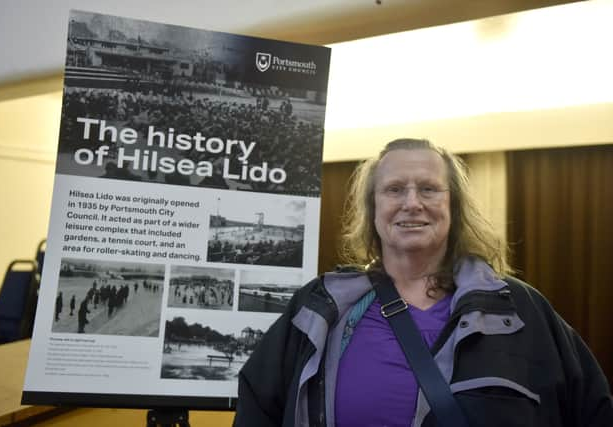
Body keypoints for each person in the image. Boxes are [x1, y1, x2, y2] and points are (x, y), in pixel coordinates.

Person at [233, 138, 613, 427]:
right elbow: (257, 410)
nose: (411, 202)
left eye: (429, 189)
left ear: (454, 206)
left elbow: (594, 410)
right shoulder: (320, 308)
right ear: (374, 209)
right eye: (394, 189)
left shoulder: (521, 310)